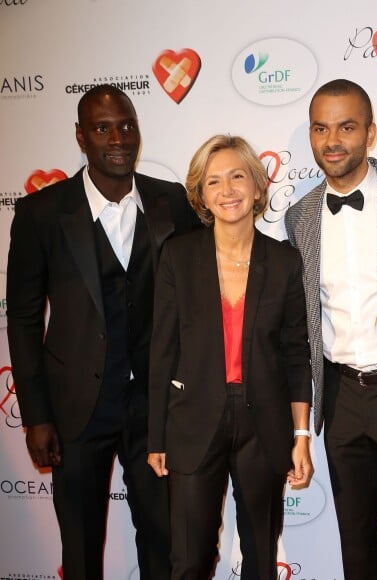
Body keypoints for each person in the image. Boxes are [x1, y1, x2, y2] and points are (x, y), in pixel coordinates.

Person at [6, 84, 201, 580]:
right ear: (80, 136)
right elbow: (25, 320)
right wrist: (37, 416)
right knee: (81, 545)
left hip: (153, 409)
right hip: (75, 411)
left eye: (127, 125)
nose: (118, 138)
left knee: (164, 540)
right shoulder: (41, 214)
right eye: (102, 128)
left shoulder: (171, 201)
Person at [147, 134, 313, 580]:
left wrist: (301, 435)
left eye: (237, 176)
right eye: (213, 182)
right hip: (193, 420)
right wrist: (156, 437)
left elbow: (297, 355)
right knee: (189, 559)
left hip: (265, 424)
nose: (227, 190)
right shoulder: (178, 257)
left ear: (257, 186)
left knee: (261, 558)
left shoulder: (283, 262)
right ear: (201, 196)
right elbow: (162, 350)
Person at [284, 79, 377, 580]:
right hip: (339, 396)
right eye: (321, 128)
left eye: (346, 126)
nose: (332, 140)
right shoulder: (301, 216)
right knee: (355, 534)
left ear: (370, 133)